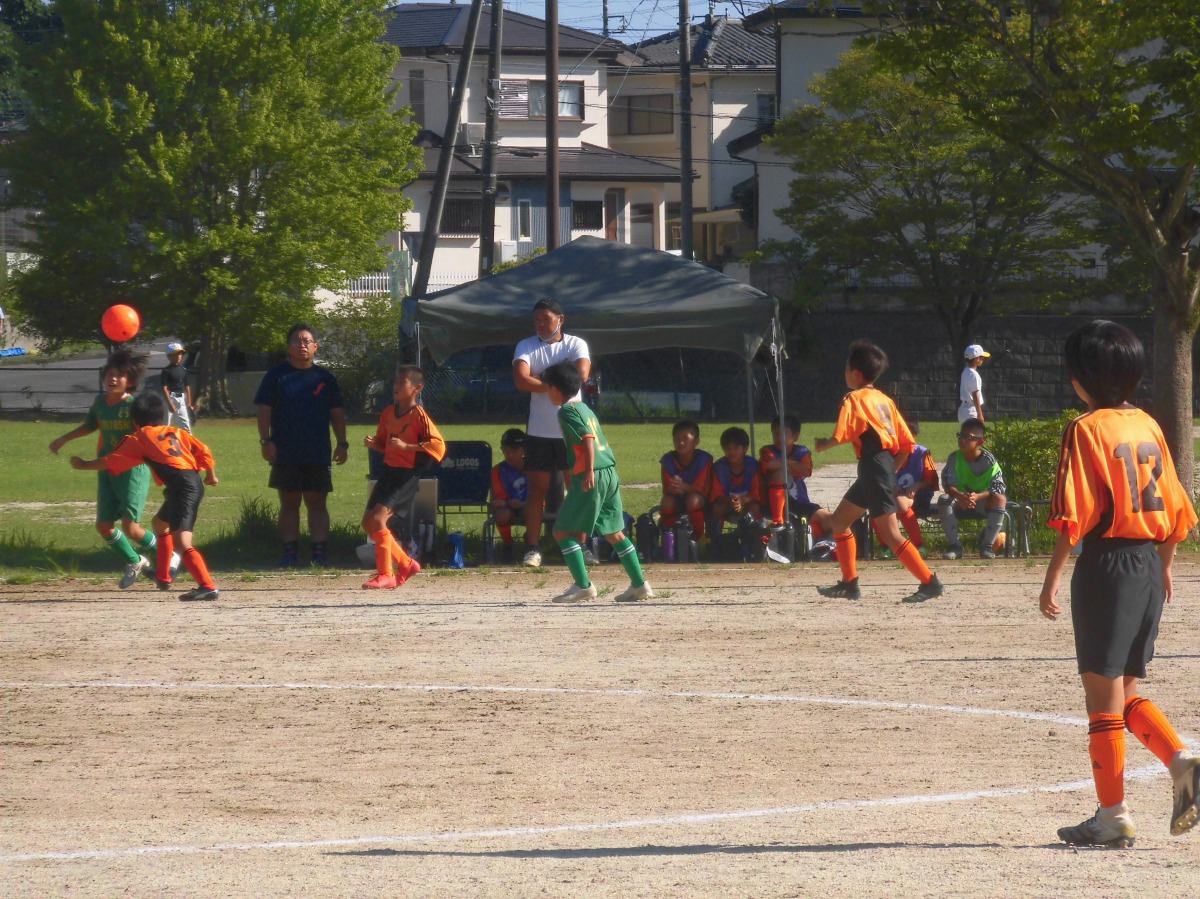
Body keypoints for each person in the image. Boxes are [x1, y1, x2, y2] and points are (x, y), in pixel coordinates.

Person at [1039, 320, 1198, 848]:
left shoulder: (1085, 428)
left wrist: (1051, 579)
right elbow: (1177, 509)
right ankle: (1181, 761)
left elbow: (1072, 515)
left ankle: (1112, 814)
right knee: (1124, 690)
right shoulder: (1148, 424)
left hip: (1107, 567)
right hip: (1149, 563)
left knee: (1101, 698)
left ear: (1080, 379)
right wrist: (1164, 565)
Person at [813, 340, 944, 603]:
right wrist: (889, 471)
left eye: (846, 368)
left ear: (855, 373)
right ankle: (849, 583)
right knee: (839, 523)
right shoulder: (884, 399)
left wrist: (823, 445)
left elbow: (842, 434)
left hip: (873, 466)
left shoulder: (854, 398)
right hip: (876, 467)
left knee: (890, 534)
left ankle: (930, 582)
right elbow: (907, 444)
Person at [70, 392, 220, 601]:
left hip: (182, 488)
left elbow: (111, 460)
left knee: (182, 541)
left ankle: (207, 586)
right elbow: (203, 450)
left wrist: (84, 465)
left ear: (135, 420)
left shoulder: (139, 437)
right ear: (162, 416)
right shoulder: (176, 432)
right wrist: (211, 475)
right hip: (189, 482)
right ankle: (163, 576)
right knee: (159, 524)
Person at [49, 348, 170, 588]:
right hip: (106, 468)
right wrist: (63, 439)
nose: (112, 378)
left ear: (130, 381)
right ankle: (135, 561)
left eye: (119, 375)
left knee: (130, 527)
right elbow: (89, 425)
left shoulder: (135, 405)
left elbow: (148, 435)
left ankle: (168, 552)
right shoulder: (100, 403)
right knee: (104, 526)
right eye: (109, 374)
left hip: (132, 470)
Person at [540, 361, 652, 604]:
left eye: (548, 387)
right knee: (614, 532)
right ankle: (639, 584)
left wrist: (588, 471)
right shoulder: (585, 408)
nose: (547, 392)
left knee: (561, 531)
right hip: (609, 472)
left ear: (556, 389)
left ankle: (583, 586)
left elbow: (587, 438)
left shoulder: (566, 411)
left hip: (592, 475)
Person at [254, 323, 349, 568]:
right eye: (297, 340)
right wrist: (266, 440)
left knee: (317, 502)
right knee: (289, 502)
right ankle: (290, 552)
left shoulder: (325, 378)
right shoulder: (276, 376)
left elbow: (337, 413)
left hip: (317, 450)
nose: (302, 345)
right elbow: (264, 410)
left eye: (307, 341)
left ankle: (319, 552)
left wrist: (342, 443)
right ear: (289, 347)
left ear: (316, 346)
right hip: (285, 450)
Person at [512, 297, 592, 568]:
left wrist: (544, 380)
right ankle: (532, 548)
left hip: (571, 431)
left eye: (546, 319)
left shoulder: (576, 344)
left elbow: (581, 375)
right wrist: (557, 384)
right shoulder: (526, 345)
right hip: (539, 432)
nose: (541, 324)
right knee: (537, 491)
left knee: (576, 489)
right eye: (537, 320)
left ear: (561, 320)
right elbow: (521, 379)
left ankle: (581, 546)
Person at [360, 366, 446, 589]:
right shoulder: (389, 412)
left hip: (406, 475)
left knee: (379, 520)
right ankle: (407, 564)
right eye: (395, 382)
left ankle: (386, 574)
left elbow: (438, 446)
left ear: (416, 388)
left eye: (402, 383)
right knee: (369, 523)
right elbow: (384, 443)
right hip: (389, 471)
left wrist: (408, 446)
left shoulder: (419, 415)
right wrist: (375, 444)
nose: (396, 387)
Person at [936, 418, 1008, 560]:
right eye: (960, 435)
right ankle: (955, 547)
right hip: (960, 500)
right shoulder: (954, 458)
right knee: (943, 499)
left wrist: (977, 497)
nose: (962, 440)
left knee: (1000, 499)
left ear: (980, 441)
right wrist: (960, 496)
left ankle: (987, 546)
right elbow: (948, 484)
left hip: (982, 501)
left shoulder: (988, 460)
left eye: (967, 437)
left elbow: (998, 486)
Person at [759, 413, 832, 540]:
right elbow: (769, 465)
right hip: (772, 504)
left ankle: (808, 538)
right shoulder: (768, 451)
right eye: (775, 434)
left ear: (795, 436)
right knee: (779, 474)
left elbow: (806, 471)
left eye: (783, 434)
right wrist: (793, 466)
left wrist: (785, 462)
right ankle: (778, 521)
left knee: (829, 519)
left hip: (798, 501)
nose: (778, 437)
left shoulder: (802, 452)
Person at [659, 419, 715, 540]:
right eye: (677, 439)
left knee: (692, 500)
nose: (681, 442)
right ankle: (669, 536)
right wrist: (674, 488)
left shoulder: (704, 460)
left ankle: (698, 538)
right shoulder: (668, 460)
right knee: (666, 501)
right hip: (677, 498)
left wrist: (684, 487)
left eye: (685, 439)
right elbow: (666, 489)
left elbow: (703, 490)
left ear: (696, 442)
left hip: (701, 502)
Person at [708, 426, 764, 532]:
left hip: (747, 504)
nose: (732, 452)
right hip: (727, 504)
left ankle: (753, 536)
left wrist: (743, 500)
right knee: (717, 508)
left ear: (745, 448)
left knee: (755, 507)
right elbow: (716, 496)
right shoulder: (719, 468)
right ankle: (714, 537)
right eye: (728, 448)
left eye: (736, 447)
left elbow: (757, 493)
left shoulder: (753, 466)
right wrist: (731, 501)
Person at [490, 428, 529, 564]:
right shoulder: (498, 471)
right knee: (502, 515)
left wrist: (524, 503)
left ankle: (531, 544)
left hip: (528, 506)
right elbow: (499, 498)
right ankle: (507, 545)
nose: (510, 455)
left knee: (532, 512)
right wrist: (506, 502)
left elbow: (540, 495)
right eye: (507, 451)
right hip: (508, 507)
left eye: (515, 451)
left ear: (524, 450)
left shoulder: (534, 470)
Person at [160, 342, 194, 432]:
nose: (179, 356)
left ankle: (188, 441)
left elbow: (187, 386)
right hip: (171, 398)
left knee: (186, 426)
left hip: (181, 399)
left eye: (180, 353)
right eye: (176, 354)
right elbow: (164, 388)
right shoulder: (166, 370)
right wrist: (170, 404)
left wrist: (189, 403)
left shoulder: (183, 370)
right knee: (166, 425)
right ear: (169, 356)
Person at [958, 344, 990, 424]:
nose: (983, 359)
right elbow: (975, 394)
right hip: (971, 411)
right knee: (975, 432)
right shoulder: (974, 375)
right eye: (981, 357)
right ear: (977, 359)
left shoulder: (965, 371)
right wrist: (980, 414)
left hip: (963, 409)